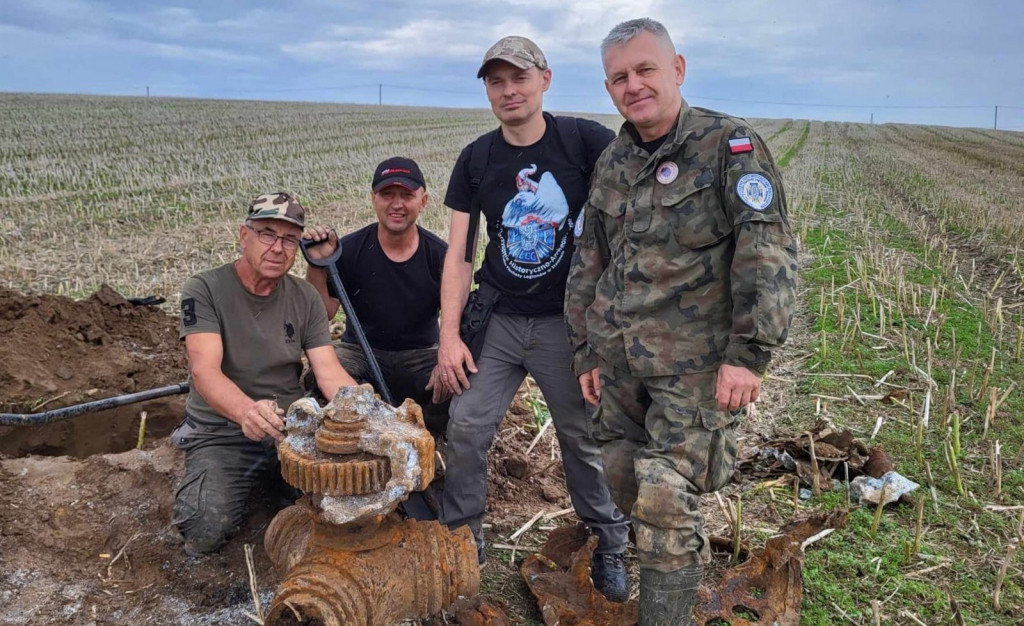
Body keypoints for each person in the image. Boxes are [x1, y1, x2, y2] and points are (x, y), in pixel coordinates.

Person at [565, 18, 798, 624]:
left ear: (678, 69)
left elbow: (766, 253)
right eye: (619, 77)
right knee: (621, 476)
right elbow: (590, 260)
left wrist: (749, 355)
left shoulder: (730, 147)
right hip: (620, 361)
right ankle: (663, 571)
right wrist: (586, 352)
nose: (633, 85)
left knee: (666, 494)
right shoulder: (613, 161)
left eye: (645, 69)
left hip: (694, 365)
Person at [436, 35, 629, 601]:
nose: (508, 90)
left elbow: (627, 223)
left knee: (582, 436)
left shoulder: (586, 142)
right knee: (467, 426)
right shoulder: (477, 159)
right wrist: (449, 336)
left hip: (565, 325)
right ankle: (460, 540)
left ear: (544, 79)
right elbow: (459, 254)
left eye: (518, 77)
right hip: (497, 319)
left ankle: (608, 541)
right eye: (496, 81)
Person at [172, 192, 357, 555]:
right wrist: (246, 412)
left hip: (290, 428)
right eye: (267, 234)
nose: (278, 247)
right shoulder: (205, 288)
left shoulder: (304, 296)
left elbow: (329, 372)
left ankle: (275, 485)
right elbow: (204, 370)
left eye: (289, 239)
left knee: (341, 506)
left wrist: (369, 411)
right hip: (221, 430)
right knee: (204, 529)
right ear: (244, 236)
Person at [304, 157, 452, 437]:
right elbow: (323, 313)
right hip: (360, 351)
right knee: (318, 374)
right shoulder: (347, 250)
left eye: (407, 195)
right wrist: (316, 267)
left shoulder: (441, 255)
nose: (397, 204)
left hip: (420, 356)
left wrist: (446, 361)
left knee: (457, 383)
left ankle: (429, 442)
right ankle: (357, 438)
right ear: (373, 199)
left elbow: (456, 320)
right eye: (387, 194)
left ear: (423, 201)